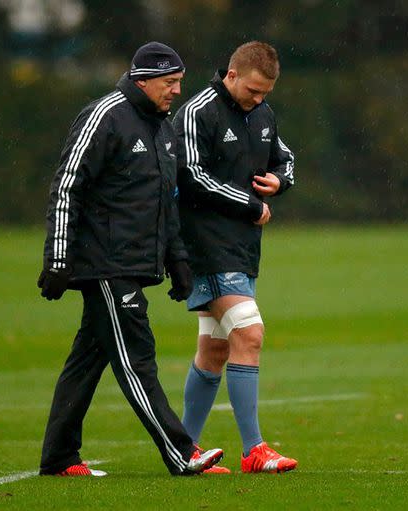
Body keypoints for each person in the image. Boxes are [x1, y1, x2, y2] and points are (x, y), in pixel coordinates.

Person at [37, 41, 223, 477]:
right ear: (143, 80)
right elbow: (67, 187)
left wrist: (178, 262)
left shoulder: (163, 127)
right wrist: (58, 258)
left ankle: (59, 457)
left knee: (88, 359)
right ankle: (181, 453)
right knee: (137, 357)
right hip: (105, 264)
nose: (177, 91)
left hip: (133, 264)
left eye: (179, 82)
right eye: (169, 83)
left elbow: (166, 202)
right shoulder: (105, 116)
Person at [172, 41, 297, 474]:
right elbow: (190, 176)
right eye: (253, 91)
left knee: (215, 349)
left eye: (266, 94)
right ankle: (254, 450)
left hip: (242, 249)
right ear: (231, 75)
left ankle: (183, 451)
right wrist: (250, 205)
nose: (259, 100)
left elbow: (286, 158)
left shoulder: (262, 115)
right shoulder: (198, 111)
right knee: (250, 334)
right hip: (205, 247)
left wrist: (280, 181)